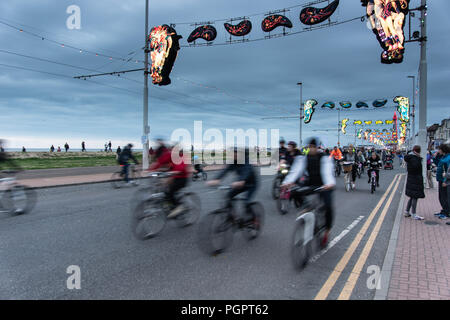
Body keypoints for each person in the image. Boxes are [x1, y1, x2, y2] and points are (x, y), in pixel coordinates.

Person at [282, 137, 336, 247]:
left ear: (317, 147)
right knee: (294, 192)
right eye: (309, 147)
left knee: (328, 206)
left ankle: (326, 231)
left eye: (313, 147)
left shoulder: (325, 158)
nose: (311, 149)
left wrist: (329, 184)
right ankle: (306, 206)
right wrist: (288, 182)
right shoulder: (303, 159)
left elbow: (327, 173)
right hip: (311, 184)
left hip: (324, 185)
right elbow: (295, 171)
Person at [208, 147, 259, 223]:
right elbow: (225, 170)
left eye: (235, 153)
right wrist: (216, 179)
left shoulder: (247, 163)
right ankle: (232, 216)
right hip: (240, 184)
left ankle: (255, 219)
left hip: (251, 185)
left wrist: (241, 181)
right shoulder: (234, 162)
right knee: (228, 197)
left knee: (246, 202)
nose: (233, 155)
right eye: (233, 153)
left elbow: (246, 172)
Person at [150, 144, 190, 218]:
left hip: (182, 178)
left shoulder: (183, 157)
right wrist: (151, 170)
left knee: (170, 192)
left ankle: (179, 207)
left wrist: (174, 172)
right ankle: (169, 205)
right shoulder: (171, 155)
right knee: (164, 189)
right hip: (173, 176)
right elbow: (161, 161)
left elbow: (180, 167)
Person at [404, 145, 425, 220]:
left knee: (412, 196)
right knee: (415, 196)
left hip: (411, 178)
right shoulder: (415, 158)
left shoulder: (410, 157)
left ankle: (407, 212)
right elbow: (416, 168)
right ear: (418, 151)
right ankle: (414, 213)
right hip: (415, 179)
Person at [434, 144, 450, 220]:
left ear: (443, 150)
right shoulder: (443, 157)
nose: (438, 151)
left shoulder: (448, 158)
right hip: (440, 179)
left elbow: (448, 170)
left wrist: (445, 181)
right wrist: (436, 156)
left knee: (445, 197)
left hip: (445, 181)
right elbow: (437, 163)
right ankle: (444, 210)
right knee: (441, 197)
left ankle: (446, 212)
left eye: (439, 149)